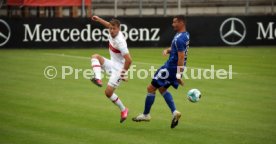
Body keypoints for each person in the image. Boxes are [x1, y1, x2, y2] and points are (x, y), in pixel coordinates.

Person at [132, 15, 190, 129]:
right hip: (173, 68)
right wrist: (168, 50)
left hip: (169, 68)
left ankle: (146, 114)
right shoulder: (185, 35)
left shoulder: (180, 38)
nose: (173, 24)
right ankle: (174, 112)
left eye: (175, 22)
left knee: (150, 88)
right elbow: (178, 50)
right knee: (162, 89)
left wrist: (178, 75)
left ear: (182, 23)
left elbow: (181, 57)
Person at [90, 16, 132, 123]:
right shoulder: (111, 29)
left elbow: (129, 60)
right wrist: (98, 19)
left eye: (114, 29)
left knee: (108, 93)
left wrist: (122, 74)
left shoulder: (120, 42)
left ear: (119, 29)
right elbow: (108, 24)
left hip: (119, 69)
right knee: (95, 57)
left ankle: (124, 109)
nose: (111, 30)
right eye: (111, 29)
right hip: (112, 63)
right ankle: (98, 78)